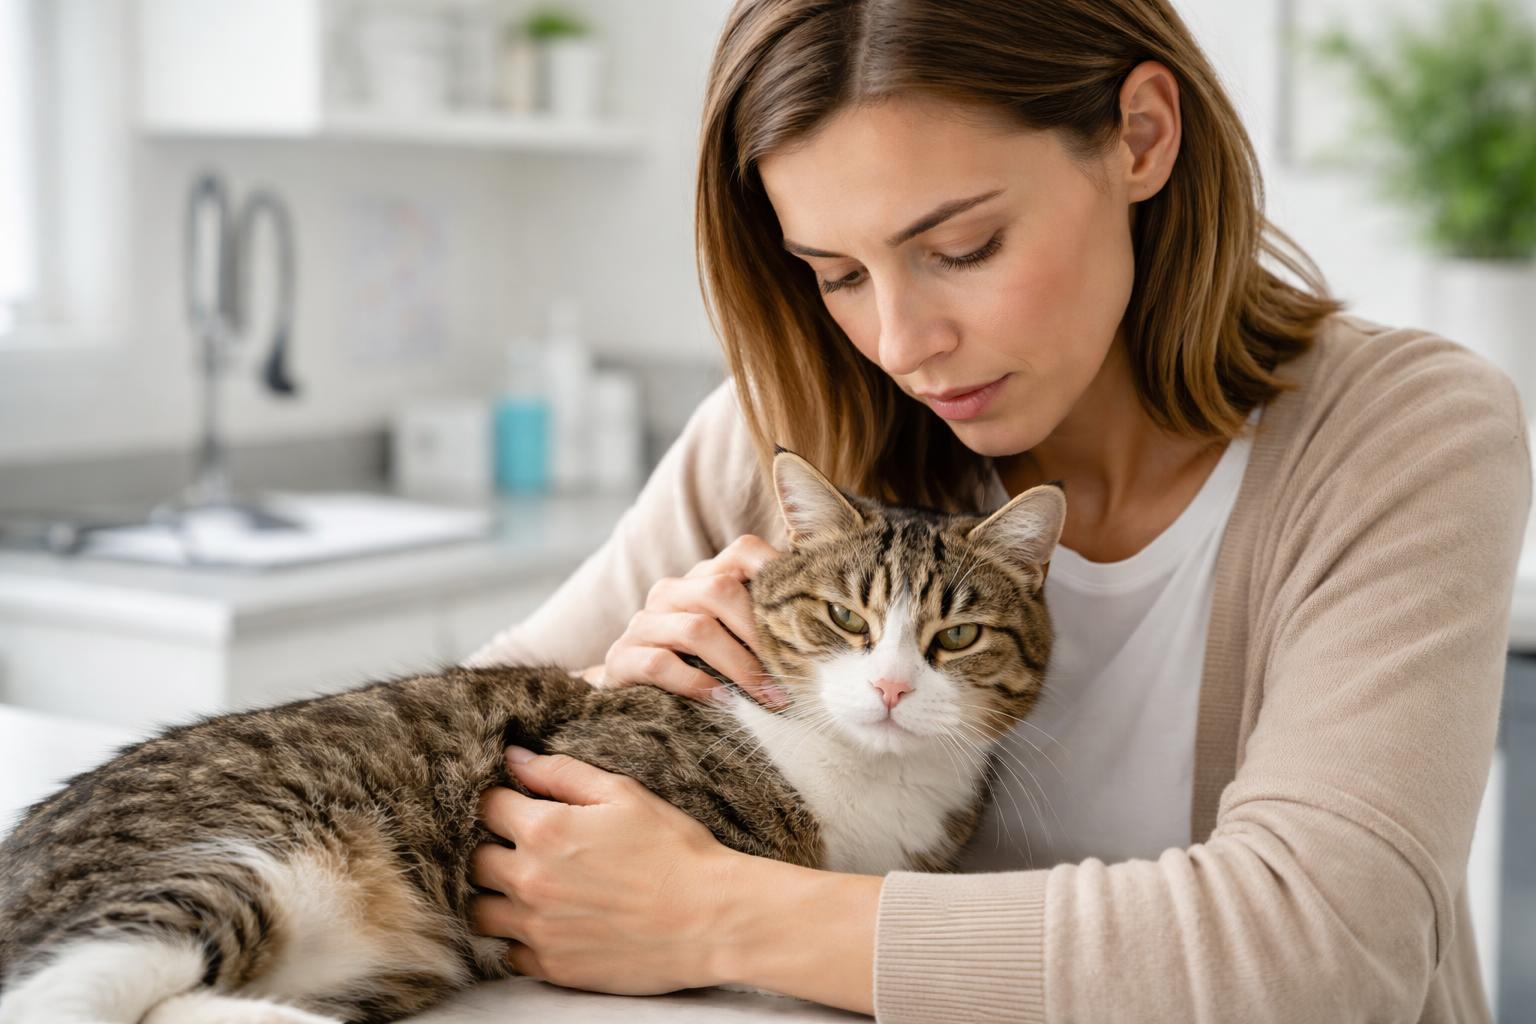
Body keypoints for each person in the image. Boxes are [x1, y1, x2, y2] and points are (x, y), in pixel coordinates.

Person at [459, 1, 1531, 1020]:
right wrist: (617, 694)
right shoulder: (785, 428)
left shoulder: (1402, 432)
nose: (898, 342)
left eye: (960, 249)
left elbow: (1321, 953)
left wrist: (716, 915)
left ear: (1141, 139)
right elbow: (453, 748)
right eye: (836, 275)